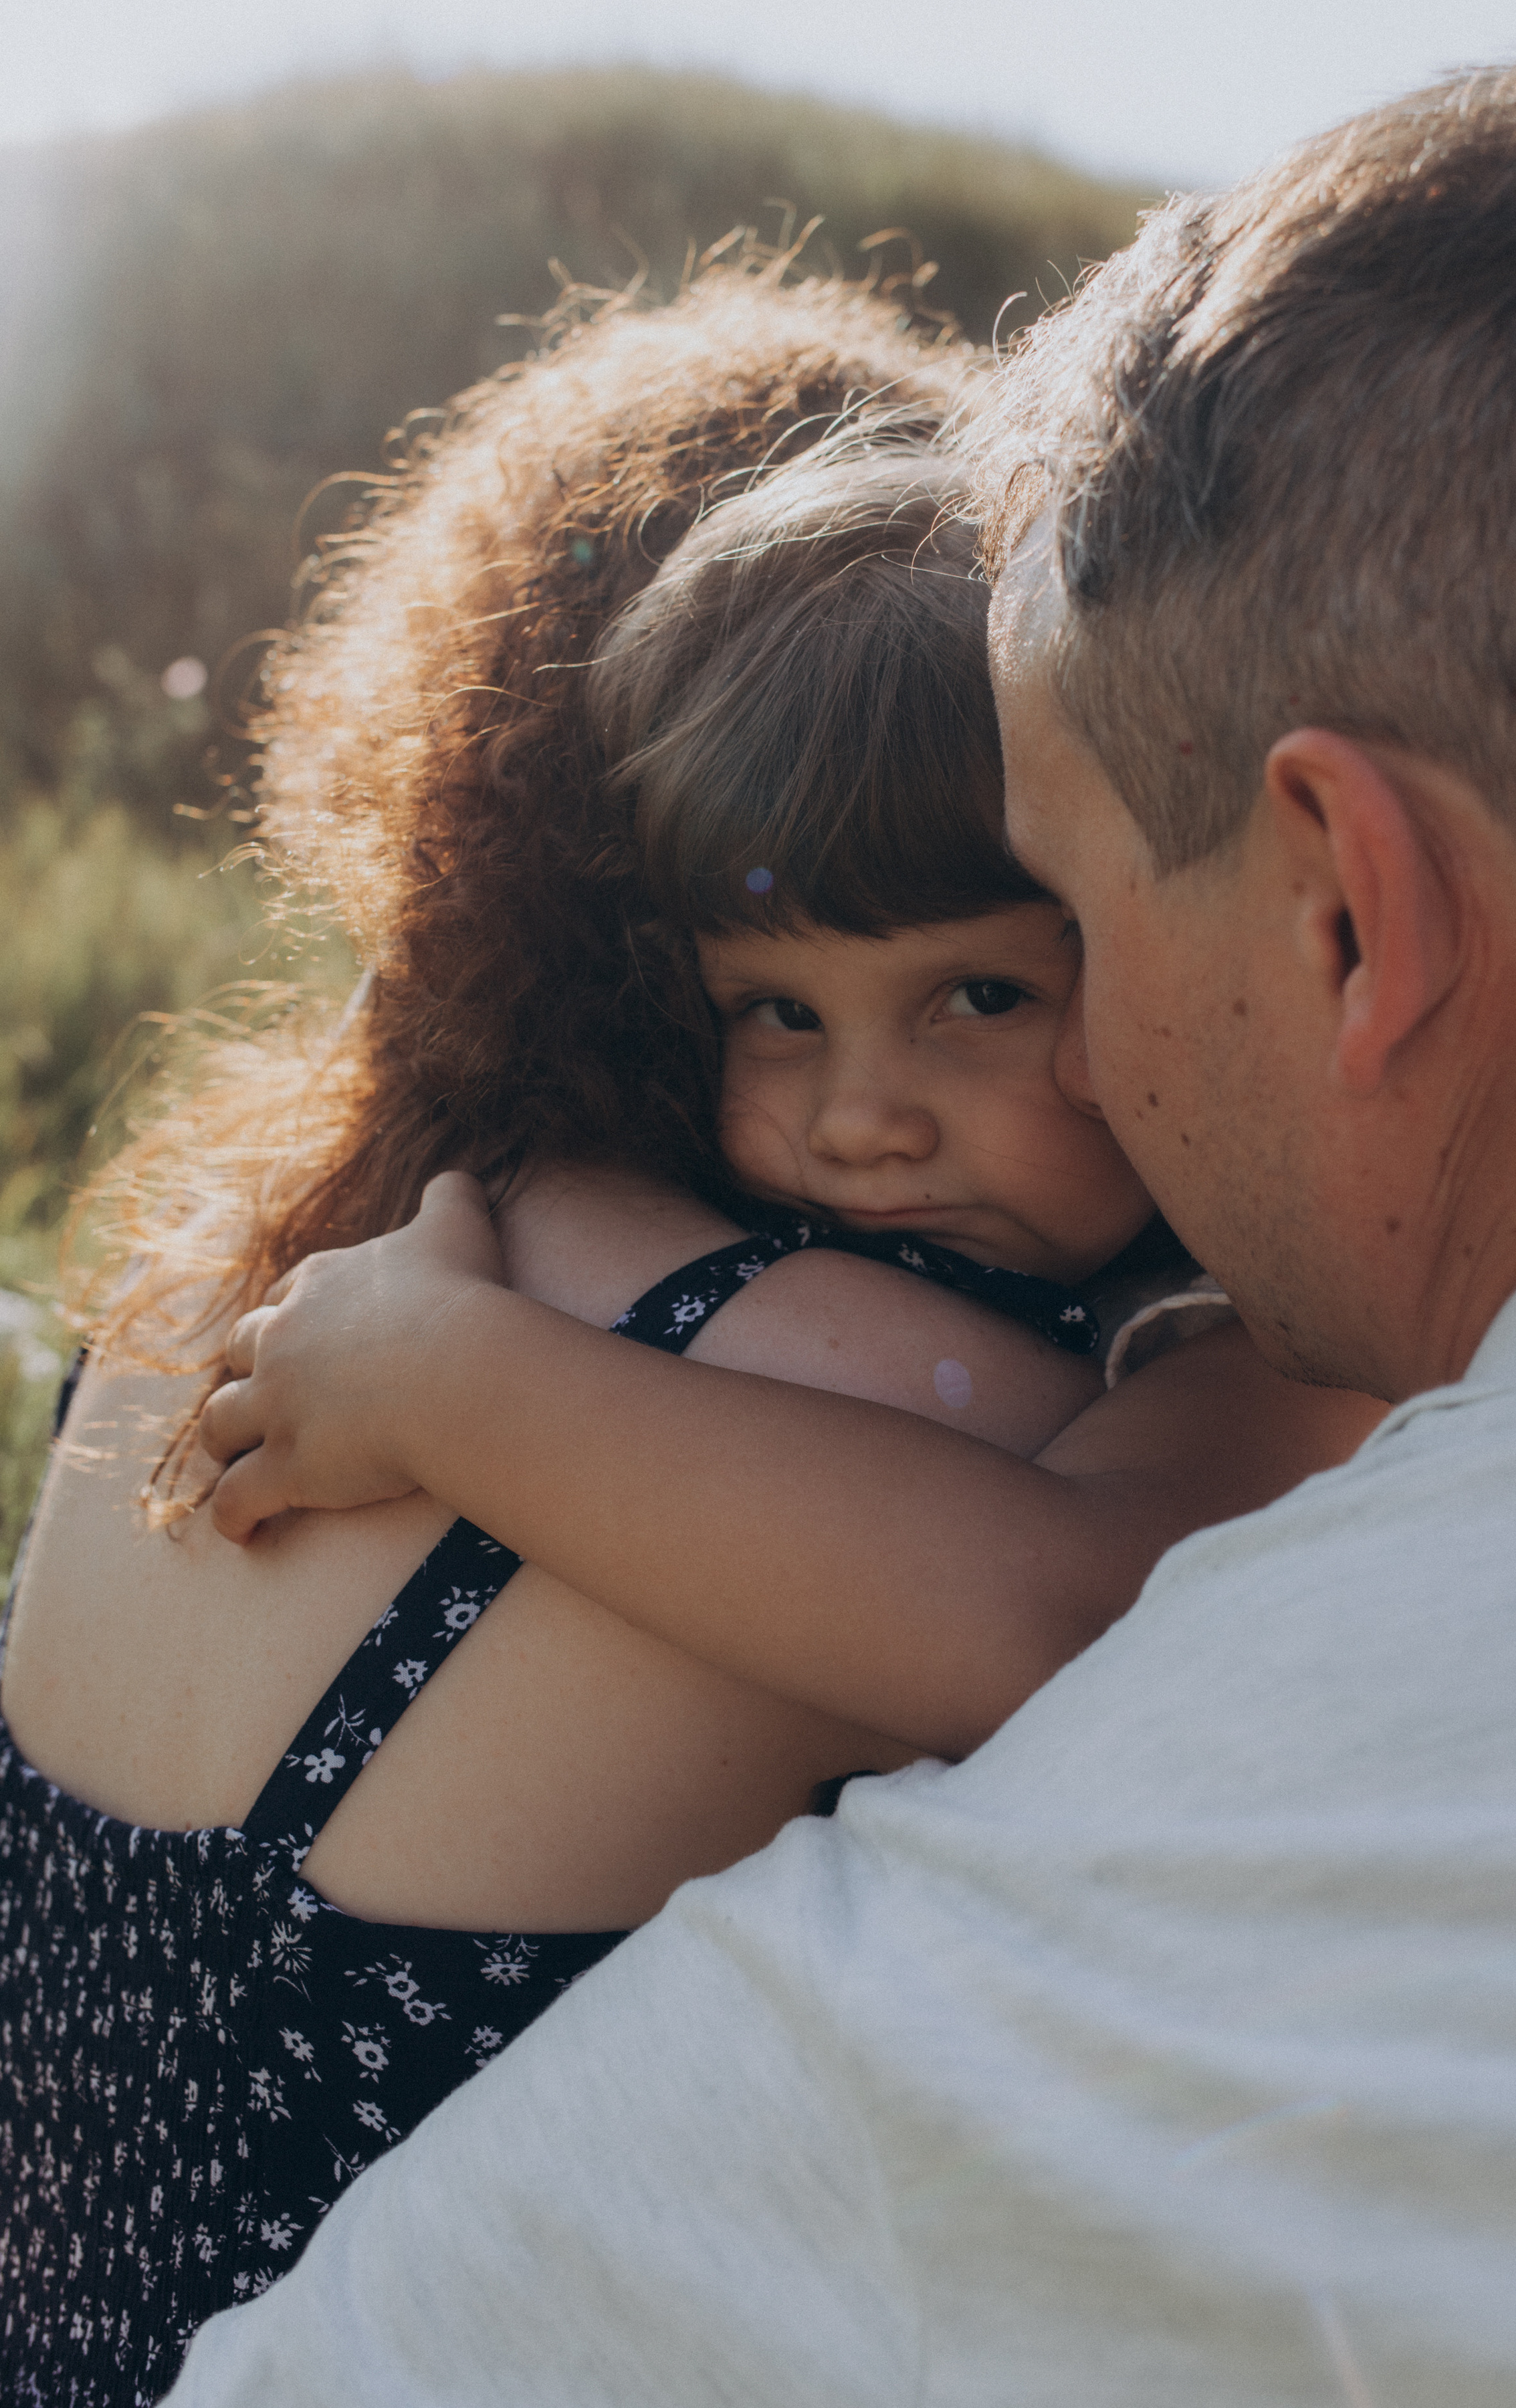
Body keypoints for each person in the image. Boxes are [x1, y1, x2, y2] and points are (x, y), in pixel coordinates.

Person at [169, 41, 1516, 2407]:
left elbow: (1047, 1603)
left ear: (1350, 914)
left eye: (1052, 943)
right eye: (772, 1013)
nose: (918, 1104)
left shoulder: (1222, 1549)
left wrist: (466, 1380)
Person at [0, 280, 1367, 2402]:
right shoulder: (906, 1396)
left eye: (993, 989)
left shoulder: (192, 1299)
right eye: (784, 1007)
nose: (866, 1113)